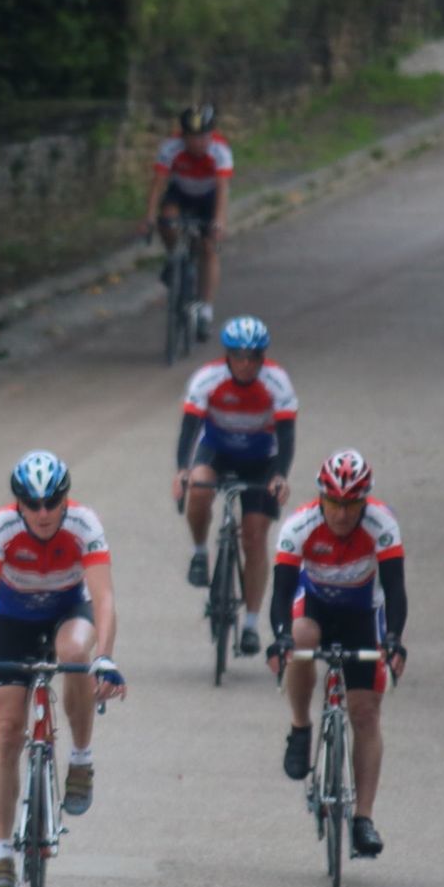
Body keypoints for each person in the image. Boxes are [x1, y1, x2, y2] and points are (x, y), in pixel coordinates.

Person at [0, 451, 125, 887]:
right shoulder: (1, 527)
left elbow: (103, 598)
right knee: (8, 729)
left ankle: (81, 759)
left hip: (69, 612)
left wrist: (106, 657)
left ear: (66, 499)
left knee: (74, 652)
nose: (44, 513)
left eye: (52, 502)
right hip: (13, 621)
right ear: (19, 504)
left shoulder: (84, 524)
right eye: (33, 504)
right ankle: (1, 854)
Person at [265, 450, 408, 859]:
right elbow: (281, 592)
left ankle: (363, 818)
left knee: (365, 712)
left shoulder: (382, 524)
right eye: (334, 503)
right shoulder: (299, 525)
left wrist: (394, 640)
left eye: (351, 504)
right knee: (300, 637)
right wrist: (280, 638)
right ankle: (300, 726)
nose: (342, 514)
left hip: (363, 614)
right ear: (321, 498)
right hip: (315, 609)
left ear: (365, 501)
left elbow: (395, 590)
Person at [173, 316, 297, 657]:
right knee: (199, 487)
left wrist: (280, 475)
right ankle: (200, 553)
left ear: (262, 357)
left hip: (262, 457)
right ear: (227, 355)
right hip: (218, 450)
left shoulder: (277, 381)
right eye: (238, 356)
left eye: (253, 356)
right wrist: (182, 470)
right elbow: (189, 428)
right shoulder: (208, 378)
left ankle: (251, 625)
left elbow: (286, 435)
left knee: (254, 536)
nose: (245, 363)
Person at [139, 103, 233, 341]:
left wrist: (219, 221)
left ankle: (205, 310)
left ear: (211, 135)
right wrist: (149, 217)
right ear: (183, 137)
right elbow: (158, 184)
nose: (198, 143)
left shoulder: (220, 151)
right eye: (192, 137)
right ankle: (175, 258)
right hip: (180, 193)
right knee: (166, 220)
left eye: (203, 137)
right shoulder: (171, 147)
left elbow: (222, 189)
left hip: (209, 196)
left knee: (209, 249)